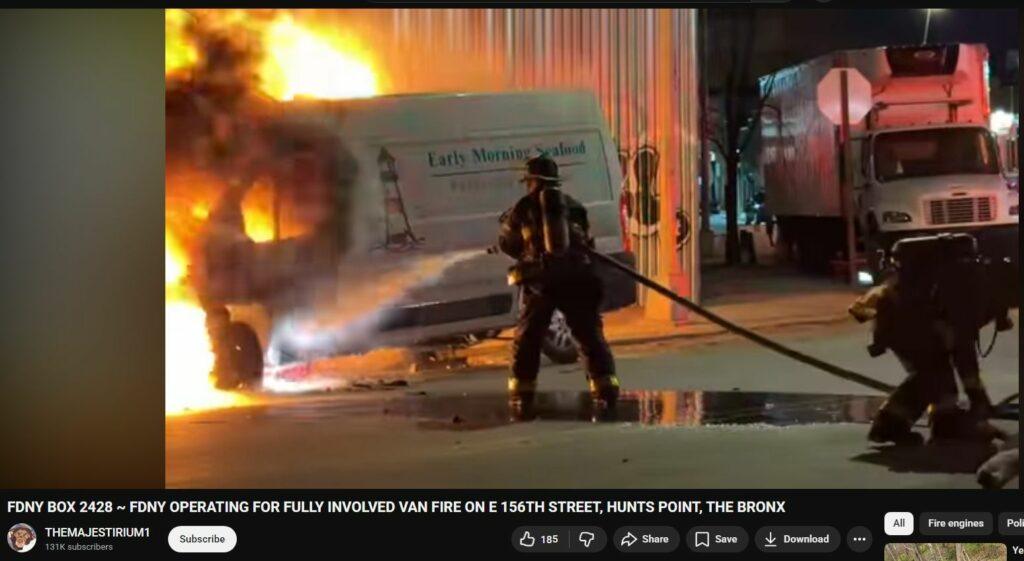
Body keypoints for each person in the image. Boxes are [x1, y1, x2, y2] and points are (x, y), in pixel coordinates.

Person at [850, 234, 1011, 445]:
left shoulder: (970, 287)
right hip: (907, 322)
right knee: (931, 375)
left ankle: (945, 422)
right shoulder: (969, 295)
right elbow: (964, 358)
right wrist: (978, 399)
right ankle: (888, 425)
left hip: (909, 319)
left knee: (937, 375)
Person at [498, 154, 619, 403]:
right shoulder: (574, 206)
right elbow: (587, 240)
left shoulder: (522, 208)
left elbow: (508, 244)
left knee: (529, 338)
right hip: (578, 278)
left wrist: (527, 253)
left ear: (532, 181)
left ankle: (522, 393)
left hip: (542, 282)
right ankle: (605, 386)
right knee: (589, 335)